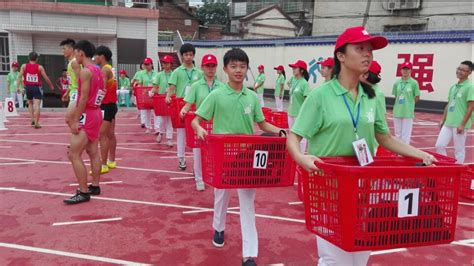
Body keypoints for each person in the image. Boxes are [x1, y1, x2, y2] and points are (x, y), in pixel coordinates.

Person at [287, 25, 436, 266]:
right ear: (341, 56)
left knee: (360, 254)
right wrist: (302, 159)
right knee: (334, 260)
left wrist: (422, 154)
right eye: (360, 48)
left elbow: (384, 137)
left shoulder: (371, 96)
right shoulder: (320, 95)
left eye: (370, 50)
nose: (368, 54)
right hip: (329, 187)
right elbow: (293, 136)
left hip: (364, 187)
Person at [191, 48, 286, 266]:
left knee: (247, 203)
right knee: (221, 197)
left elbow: (261, 123)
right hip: (223, 155)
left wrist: (279, 131)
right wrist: (199, 128)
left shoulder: (251, 96)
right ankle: (219, 228)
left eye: (242, 66)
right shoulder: (216, 95)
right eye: (233, 66)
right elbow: (197, 119)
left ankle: (249, 254)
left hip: (247, 156)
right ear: (225, 69)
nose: (238, 70)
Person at [64, 40, 105, 204]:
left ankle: (83, 191)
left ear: (81, 53)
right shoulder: (98, 71)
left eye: (75, 53)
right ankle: (94, 185)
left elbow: (83, 97)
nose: (75, 57)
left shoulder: (86, 72)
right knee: (93, 152)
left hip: (88, 114)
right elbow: (100, 92)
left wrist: (75, 120)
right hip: (96, 112)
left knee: (73, 153)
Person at [180, 53, 223, 191]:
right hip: (201, 123)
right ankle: (199, 178)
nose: (210, 69)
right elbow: (188, 102)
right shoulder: (196, 85)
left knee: (214, 152)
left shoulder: (222, 86)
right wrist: (184, 110)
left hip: (217, 124)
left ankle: (213, 175)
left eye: (213, 66)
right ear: (202, 67)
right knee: (198, 152)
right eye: (207, 66)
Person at [166, 43, 203, 170]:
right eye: (186, 54)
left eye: (191, 54)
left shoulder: (199, 72)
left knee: (196, 134)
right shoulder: (177, 72)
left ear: (193, 56)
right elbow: (172, 87)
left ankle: (197, 164)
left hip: (196, 106)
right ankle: (181, 159)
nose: (188, 57)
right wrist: (168, 96)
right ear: (182, 56)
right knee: (181, 133)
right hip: (181, 105)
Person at [435, 60, 473, 164]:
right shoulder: (453, 87)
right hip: (448, 123)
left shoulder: (470, 87)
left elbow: (471, 107)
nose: (459, 71)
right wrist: (443, 119)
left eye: (463, 70)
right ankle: (445, 167)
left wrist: (462, 124)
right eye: (458, 69)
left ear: (469, 72)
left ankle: (458, 171)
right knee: (439, 145)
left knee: (459, 150)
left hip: (459, 124)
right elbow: (449, 104)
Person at [94, 46, 118, 174]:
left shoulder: (104, 70)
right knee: (110, 134)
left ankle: (103, 164)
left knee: (102, 135)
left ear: (102, 56)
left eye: (96, 56)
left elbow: (102, 89)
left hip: (106, 105)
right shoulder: (110, 69)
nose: (94, 58)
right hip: (112, 105)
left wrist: (94, 103)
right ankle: (111, 161)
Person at [16, 51, 54, 129]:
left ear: (28, 58)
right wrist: (51, 86)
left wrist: (17, 87)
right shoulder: (40, 67)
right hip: (36, 87)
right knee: (37, 105)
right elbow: (46, 77)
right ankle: (36, 122)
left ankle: (32, 119)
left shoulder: (24, 66)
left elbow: (19, 77)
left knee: (30, 103)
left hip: (28, 87)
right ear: (37, 59)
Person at [392, 61, 420, 144]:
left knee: (405, 136)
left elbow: (417, 97)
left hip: (408, 112)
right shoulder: (397, 83)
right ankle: (397, 152)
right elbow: (396, 96)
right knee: (397, 134)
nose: (405, 71)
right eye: (404, 69)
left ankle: (404, 154)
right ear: (401, 70)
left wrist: (409, 104)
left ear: (411, 71)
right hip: (397, 111)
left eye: (407, 69)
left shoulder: (414, 83)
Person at [151, 55, 174, 147]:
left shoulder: (174, 74)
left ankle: (169, 139)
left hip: (172, 99)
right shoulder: (159, 75)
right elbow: (155, 87)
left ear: (171, 64)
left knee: (170, 120)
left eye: (167, 63)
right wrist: (153, 91)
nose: (165, 65)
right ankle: (160, 132)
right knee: (161, 120)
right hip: (161, 99)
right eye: (164, 63)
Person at [287, 59, 310, 152]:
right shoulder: (293, 80)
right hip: (291, 112)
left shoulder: (304, 83)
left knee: (301, 137)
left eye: (295, 68)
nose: (293, 69)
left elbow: (307, 100)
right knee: (291, 135)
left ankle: (301, 156)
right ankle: (294, 155)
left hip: (299, 114)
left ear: (302, 70)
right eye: (293, 68)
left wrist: (305, 115)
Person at [60, 39, 82, 126]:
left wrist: (81, 96)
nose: (63, 51)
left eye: (64, 48)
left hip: (77, 94)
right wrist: (67, 92)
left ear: (71, 49)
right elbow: (72, 81)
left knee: (69, 119)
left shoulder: (74, 63)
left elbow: (80, 80)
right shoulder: (70, 63)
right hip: (73, 92)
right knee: (71, 119)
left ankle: (80, 137)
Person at [137, 57, 159, 134]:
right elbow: (140, 84)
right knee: (147, 112)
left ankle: (157, 128)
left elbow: (158, 84)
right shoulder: (142, 74)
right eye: (145, 64)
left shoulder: (156, 74)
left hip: (154, 94)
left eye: (148, 64)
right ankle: (148, 127)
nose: (146, 66)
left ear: (151, 64)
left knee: (156, 112)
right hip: (145, 95)